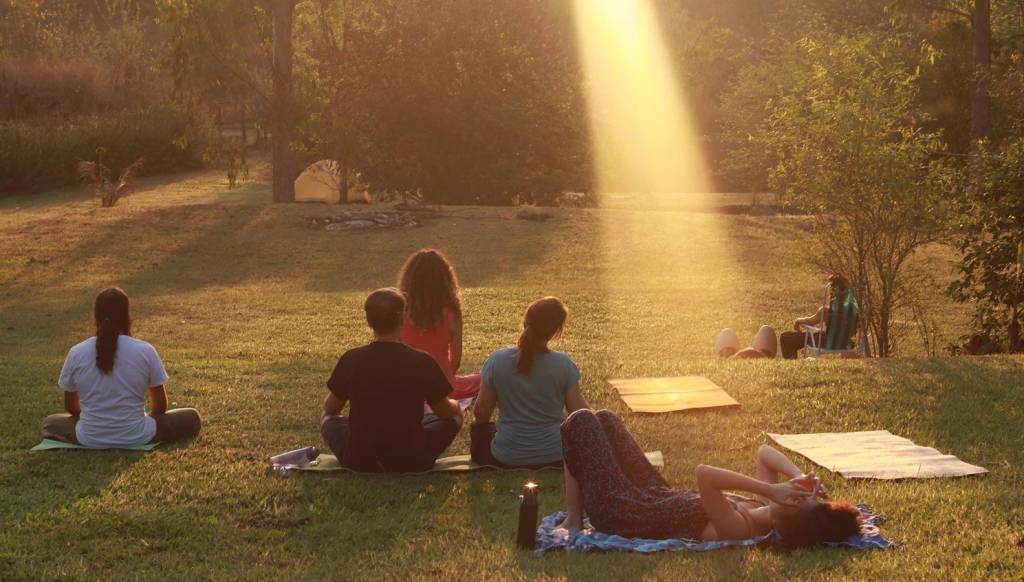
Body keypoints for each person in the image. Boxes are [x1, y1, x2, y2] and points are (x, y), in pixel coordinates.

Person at [558, 409, 863, 548]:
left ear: (790, 519)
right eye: (803, 497)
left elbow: (705, 475)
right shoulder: (758, 505)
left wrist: (772, 488)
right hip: (652, 493)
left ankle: (574, 518)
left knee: (581, 421)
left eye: (799, 501)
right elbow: (763, 451)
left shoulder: (739, 528)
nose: (795, 495)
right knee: (605, 419)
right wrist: (799, 476)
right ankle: (574, 514)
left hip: (620, 510)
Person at [320, 287, 463, 472]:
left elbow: (331, 408)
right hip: (411, 458)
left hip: (360, 458)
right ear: (403, 319)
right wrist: (456, 406)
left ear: (369, 321)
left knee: (328, 418)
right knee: (454, 417)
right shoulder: (422, 361)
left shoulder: (352, 358)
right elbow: (444, 412)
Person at [41, 287, 201, 447]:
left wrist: (98, 420)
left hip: (89, 437)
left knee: (50, 423)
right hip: (138, 435)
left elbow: (71, 407)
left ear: (96, 317)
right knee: (192, 416)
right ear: (127, 317)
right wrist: (142, 420)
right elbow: (160, 406)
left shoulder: (76, 352)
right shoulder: (145, 350)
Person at [470, 297, 589, 468]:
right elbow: (580, 414)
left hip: (506, 456)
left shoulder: (497, 360)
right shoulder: (563, 364)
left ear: (525, 321)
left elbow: (481, 414)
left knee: (482, 430)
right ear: (556, 331)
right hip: (555, 455)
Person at [397, 248, 480, 400]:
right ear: (445, 279)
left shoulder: (399, 311)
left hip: (406, 385)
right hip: (443, 387)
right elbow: (455, 361)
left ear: (409, 279)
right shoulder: (452, 312)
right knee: (484, 378)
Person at [779, 274, 858, 359]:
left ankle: (792, 362)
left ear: (831, 292)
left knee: (786, 337)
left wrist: (797, 321)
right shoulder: (854, 312)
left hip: (826, 343)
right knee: (817, 334)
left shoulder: (825, 311)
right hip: (846, 344)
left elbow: (809, 321)